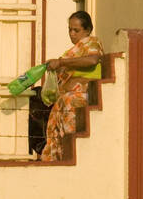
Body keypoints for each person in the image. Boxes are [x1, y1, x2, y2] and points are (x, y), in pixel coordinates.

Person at [40, 11, 104, 163]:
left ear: (88, 30)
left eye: (76, 30)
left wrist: (61, 63)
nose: (72, 34)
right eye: (70, 30)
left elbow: (92, 60)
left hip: (80, 98)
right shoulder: (71, 53)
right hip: (66, 100)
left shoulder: (92, 43)